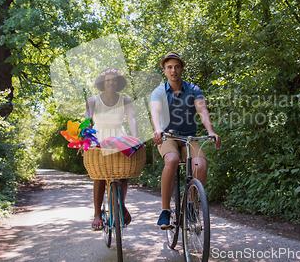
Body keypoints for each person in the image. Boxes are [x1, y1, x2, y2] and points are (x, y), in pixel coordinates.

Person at [150, 51, 221, 229]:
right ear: (165, 71)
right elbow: (155, 113)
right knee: (172, 160)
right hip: (167, 136)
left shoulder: (193, 89)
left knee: (201, 165)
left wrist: (211, 131)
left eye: (176, 67)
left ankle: (190, 205)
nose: (173, 70)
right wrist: (158, 129)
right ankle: (165, 210)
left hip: (189, 137)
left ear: (181, 69)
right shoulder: (159, 91)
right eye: (169, 67)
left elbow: (202, 111)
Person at [86, 67, 138, 231]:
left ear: (118, 82)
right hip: (99, 137)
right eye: (107, 79)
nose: (111, 82)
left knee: (122, 174)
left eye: (114, 79)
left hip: (119, 137)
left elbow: (131, 119)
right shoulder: (92, 100)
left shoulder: (126, 100)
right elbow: (88, 120)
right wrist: (86, 139)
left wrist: (135, 139)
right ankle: (97, 214)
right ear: (103, 82)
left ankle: (119, 207)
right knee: (99, 175)